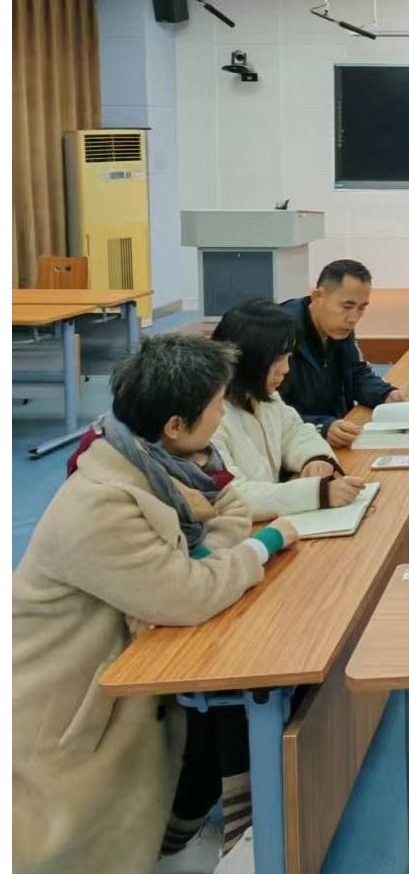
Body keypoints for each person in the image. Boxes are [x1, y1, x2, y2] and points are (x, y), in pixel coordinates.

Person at [12, 334, 299, 874]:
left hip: (140, 665)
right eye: (217, 406)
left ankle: (209, 830)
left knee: (234, 699)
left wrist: (210, 559)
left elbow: (230, 507)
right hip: (71, 705)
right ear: (174, 424)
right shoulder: (101, 503)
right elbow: (187, 595)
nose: (223, 415)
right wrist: (260, 547)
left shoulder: (179, 463)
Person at [211, 299, 366, 519]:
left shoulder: (264, 397)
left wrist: (315, 458)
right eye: (277, 360)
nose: (285, 369)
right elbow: (232, 497)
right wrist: (319, 494)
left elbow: (295, 432)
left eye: (288, 357)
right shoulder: (208, 416)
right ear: (248, 360)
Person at [277, 259, 403, 450]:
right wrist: (322, 427)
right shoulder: (280, 334)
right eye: (347, 306)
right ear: (317, 296)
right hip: (297, 449)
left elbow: (356, 372)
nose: (353, 318)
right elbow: (268, 412)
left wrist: (385, 394)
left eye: (362, 307)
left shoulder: (338, 327)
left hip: (339, 436)